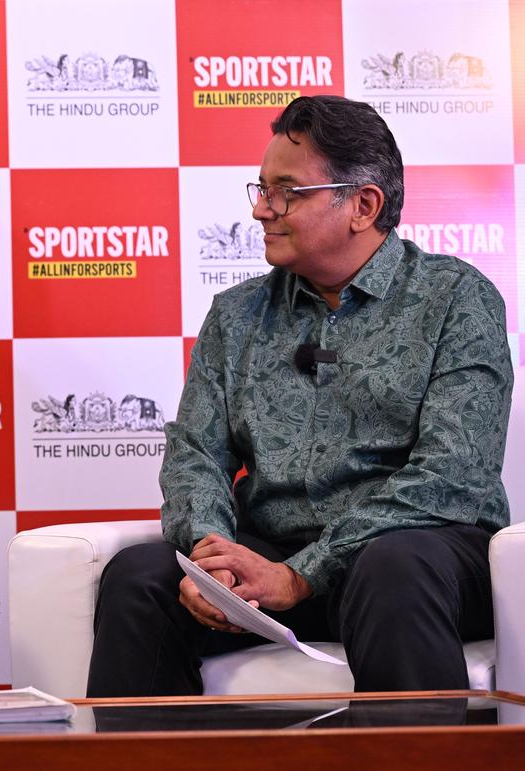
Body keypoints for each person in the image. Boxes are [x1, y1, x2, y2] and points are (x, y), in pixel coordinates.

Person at [87, 95, 511, 696]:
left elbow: (451, 477)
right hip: (271, 556)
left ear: (362, 205)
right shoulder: (237, 315)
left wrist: (303, 574)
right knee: (139, 577)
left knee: (393, 568)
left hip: (420, 559)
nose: (262, 210)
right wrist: (215, 560)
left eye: (287, 191)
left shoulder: (456, 300)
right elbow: (195, 456)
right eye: (259, 189)